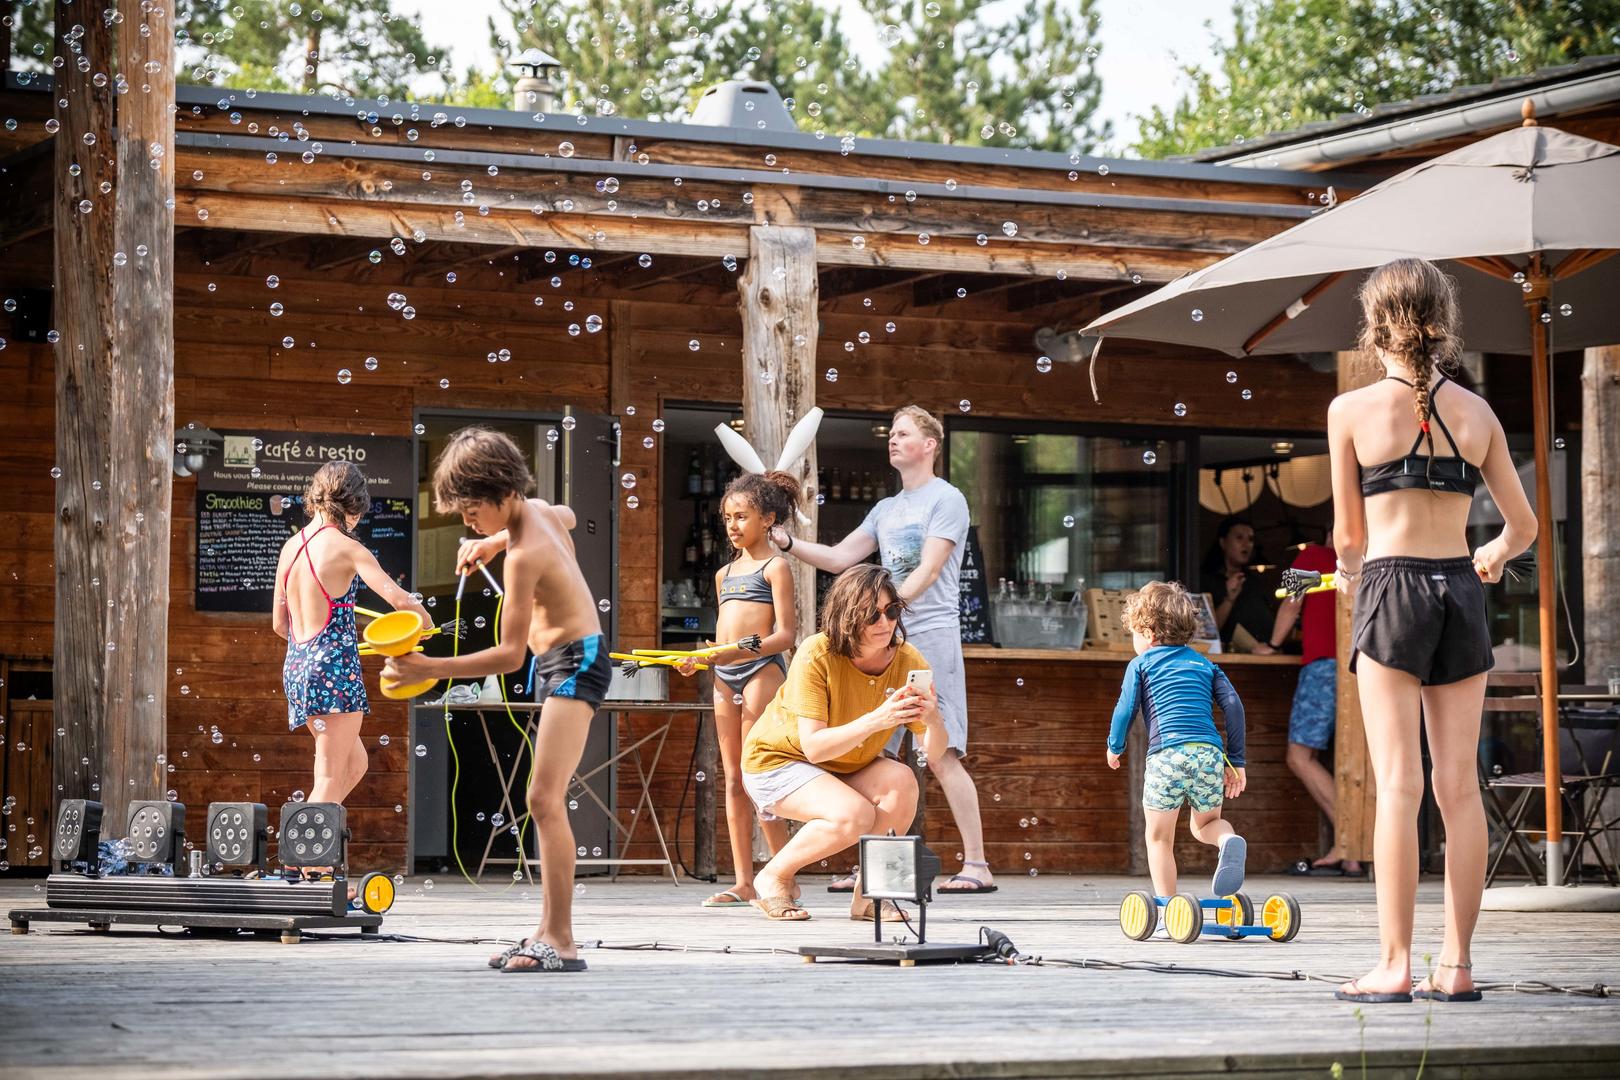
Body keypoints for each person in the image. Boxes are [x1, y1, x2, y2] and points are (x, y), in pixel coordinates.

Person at [1328, 258, 1535, 1004]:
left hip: (1390, 589)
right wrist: (1493, 552)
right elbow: (1525, 526)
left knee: (1398, 787)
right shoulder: (1478, 414)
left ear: (1374, 325)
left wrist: (1350, 573)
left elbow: (1349, 537)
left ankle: (1394, 964)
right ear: (1442, 324)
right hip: (1458, 590)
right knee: (1459, 790)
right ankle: (1458, 966)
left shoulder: (1349, 411)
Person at [384, 427, 612, 974]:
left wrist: (429, 668)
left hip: (573, 663)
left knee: (542, 799)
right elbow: (567, 513)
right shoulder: (535, 512)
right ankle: (544, 930)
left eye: (469, 513)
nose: (466, 524)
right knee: (542, 799)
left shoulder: (523, 555)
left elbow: (509, 655)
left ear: (498, 491)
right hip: (564, 660)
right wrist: (491, 539)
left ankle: (561, 940)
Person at [770, 405, 994, 894]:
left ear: (930, 444)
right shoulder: (887, 509)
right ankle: (873, 865)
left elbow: (929, 570)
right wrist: (787, 542)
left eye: (903, 433)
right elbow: (837, 558)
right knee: (874, 755)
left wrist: (882, 613)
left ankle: (976, 864)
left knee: (942, 752)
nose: (891, 440)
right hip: (885, 636)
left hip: (929, 635)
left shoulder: (947, 498)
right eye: (890, 434)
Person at [739, 564, 949, 921]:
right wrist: (878, 719)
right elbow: (815, 747)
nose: (885, 623)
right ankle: (773, 876)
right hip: (778, 762)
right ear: (847, 616)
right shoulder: (817, 652)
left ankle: (871, 896)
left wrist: (932, 719)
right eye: (871, 615)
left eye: (892, 611)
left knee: (902, 782)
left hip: (844, 765)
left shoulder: (908, 659)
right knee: (854, 815)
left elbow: (934, 752)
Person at [273, 461, 431, 846]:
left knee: (354, 762)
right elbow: (398, 599)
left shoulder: (291, 548)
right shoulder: (348, 549)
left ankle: (314, 840)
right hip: (335, 672)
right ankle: (299, 859)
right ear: (354, 507)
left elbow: (280, 625)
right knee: (328, 774)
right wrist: (424, 621)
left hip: (298, 667)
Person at [674, 471, 799, 909]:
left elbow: (786, 635)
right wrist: (702, 658)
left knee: (756, 776)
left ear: (768, 519)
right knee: (731, 780)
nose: (732, 525)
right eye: (727, 517)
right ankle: (745, 881)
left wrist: (735, 652)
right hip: (724, 678)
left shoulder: (775, 567)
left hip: (763, 670)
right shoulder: (724, 573)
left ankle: (782, 878)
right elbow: (721, 640)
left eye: (741, 516)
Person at [1106, 581, 1248, 919]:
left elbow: (1125, 709)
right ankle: (1227, 842)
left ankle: (1169, 909)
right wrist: (1237, 760)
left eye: (1135, 632)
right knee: (1207, 825)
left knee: (1158, 838)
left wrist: (1115, 746)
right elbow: (1233, 707)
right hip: (1210, 755)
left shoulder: (1140, 665)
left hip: (1166, 756)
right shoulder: (1206, 665)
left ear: (1149, 631)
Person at [1259, 538, 1365, 877]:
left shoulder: (1309, 556)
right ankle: (1352, 847)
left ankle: (1350, 842)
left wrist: (1273, 645)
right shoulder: (1372, 557)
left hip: (1323, 666)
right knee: (1356, 757)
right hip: (1366, 666)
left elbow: (1291, 604)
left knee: (1300, 756)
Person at [1199, 517, 1275, 651]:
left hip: (1264, 656)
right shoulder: (1207, 581)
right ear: (1223, 543)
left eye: (1250, 539)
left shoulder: (1255, 582)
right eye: (1239, 538)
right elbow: (1206, 633)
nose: (1246, 544)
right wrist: (1229, 599)